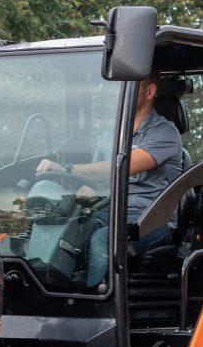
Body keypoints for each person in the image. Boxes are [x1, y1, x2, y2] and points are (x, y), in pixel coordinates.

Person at [34, 75, 185, 286]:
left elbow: (122, 167)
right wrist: (67, 202)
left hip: (150, 221)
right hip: (112, 211)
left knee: (102, 239)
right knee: (63, 226)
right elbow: (96, 181)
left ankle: (96, 301)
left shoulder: (165, 133)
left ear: (150, 92)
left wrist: (65, 168)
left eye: (127, 87)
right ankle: (51, 290)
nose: (118, 94)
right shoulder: (108, 138)